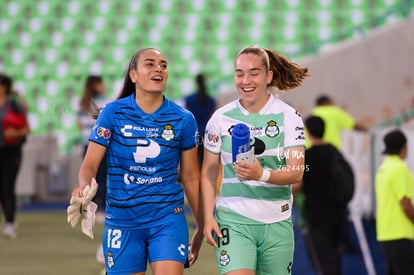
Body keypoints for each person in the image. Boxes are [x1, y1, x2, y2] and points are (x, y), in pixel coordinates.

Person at [70, 48, 203, 275]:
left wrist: (202, 221)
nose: (158, 68)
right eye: (150, 64)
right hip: (122, 220)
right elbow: (89, 165)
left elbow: (190, 176)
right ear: (134, 75)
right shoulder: (112, 113)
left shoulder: (183, 119)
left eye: (163, 64)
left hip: (167, 217)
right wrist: (85, 188)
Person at [201, 45, 309, 275]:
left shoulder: (290, 117)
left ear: (268, 76)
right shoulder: (219, 118)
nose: (245, 80)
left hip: (277, 222)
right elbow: (209, 173)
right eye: (239, 73)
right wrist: (207, 216)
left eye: (254, 73)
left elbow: (297, 171)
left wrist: (261, 174)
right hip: (233, 220)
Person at [299, 115, 350, 275]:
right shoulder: (335, 151)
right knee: (335, 256)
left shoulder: (307, 157)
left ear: (308, 132)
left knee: (322, 261)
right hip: (338, 214)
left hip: (316, 216)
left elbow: (297, 183)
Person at [375, 129, 414, 275]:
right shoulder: (400, 168)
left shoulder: (382, 169)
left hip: (385, 233)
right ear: (404, 147)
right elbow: (405, 203)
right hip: (400, 233)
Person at [0, 73, 30, 239]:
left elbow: (26, 127)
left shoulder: (13, 104)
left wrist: (15, 132)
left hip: (11, 150)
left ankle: (10, 222)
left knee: (7, 185)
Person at [77, 75, 108, 218]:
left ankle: (90, 207)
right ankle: (101, 208)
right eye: (101, 84)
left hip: (86, 144)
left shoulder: (82, 103)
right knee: (103, 177)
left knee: (90, 177)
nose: (104, 86)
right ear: (96, 85)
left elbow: (79, 124)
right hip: (100, 145)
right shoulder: (104, 102)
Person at [184, 73, 216, 168]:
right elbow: (212, 119)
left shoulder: (190, 99)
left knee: (191, 163)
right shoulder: (210, 100)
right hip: (206, 134)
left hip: (193, 134)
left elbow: (187, 118)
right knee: (203, 162)